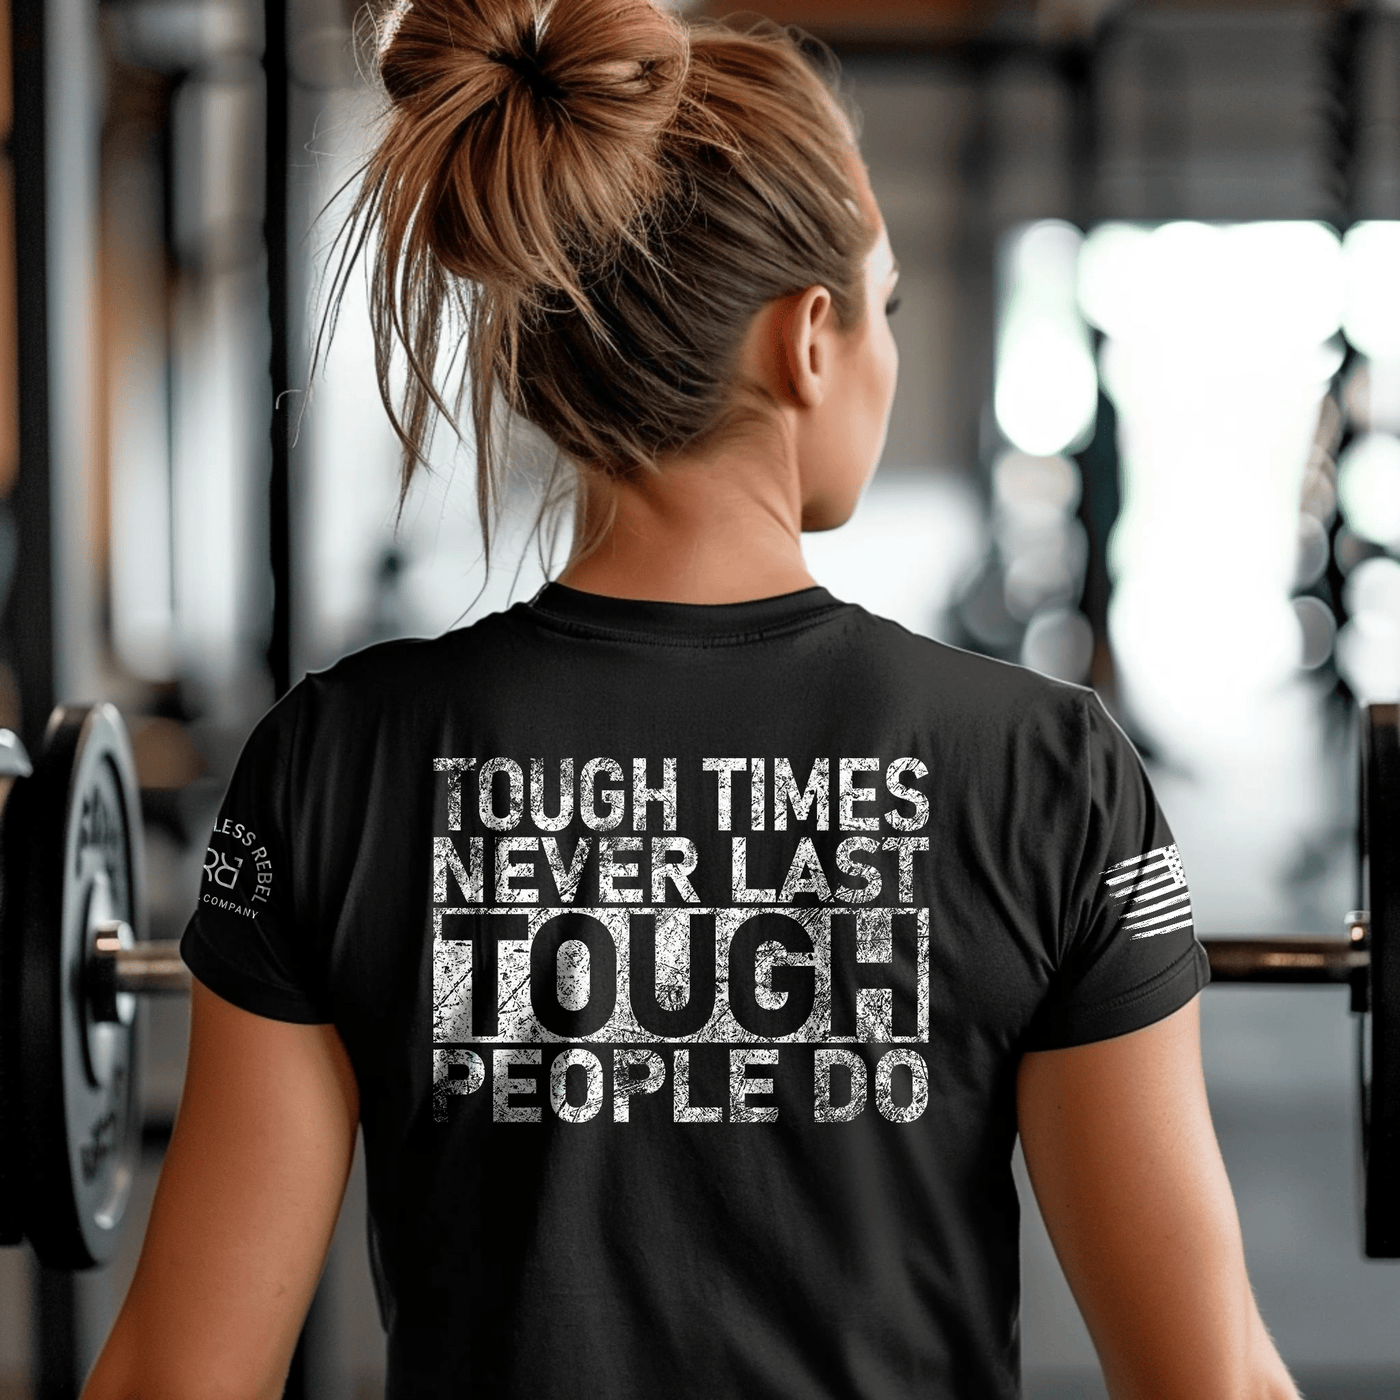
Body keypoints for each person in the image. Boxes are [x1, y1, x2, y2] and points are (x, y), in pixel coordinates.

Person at [83, 2, 1301, 1397]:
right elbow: (1208, 1382)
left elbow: (180, 1377)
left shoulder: (331, 764)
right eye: (883, 306)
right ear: (807, 341)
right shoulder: (1046, 773)